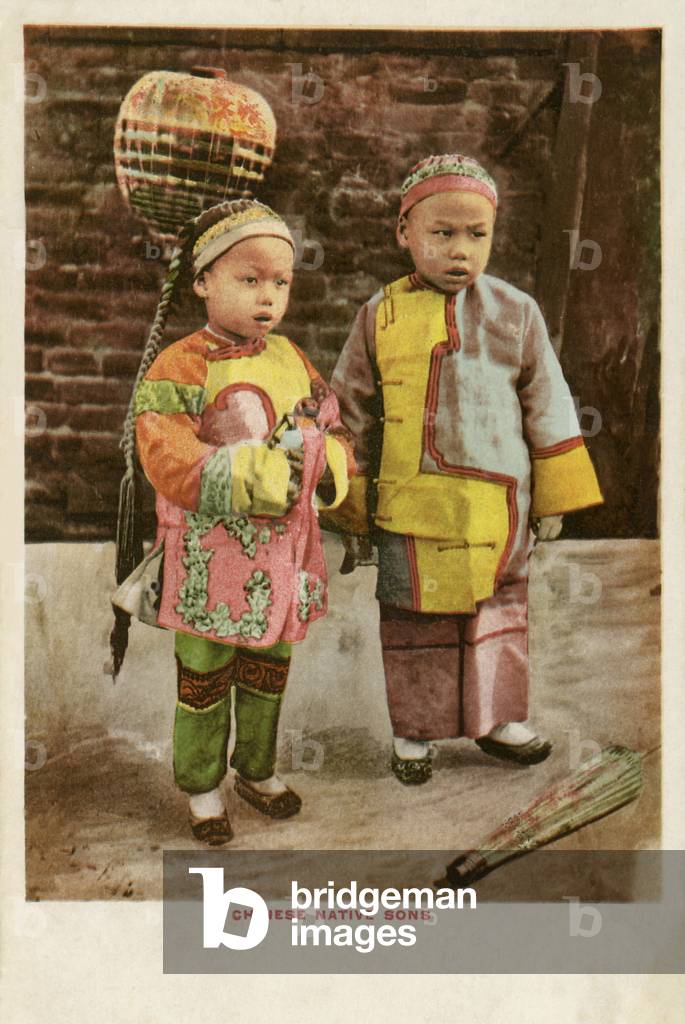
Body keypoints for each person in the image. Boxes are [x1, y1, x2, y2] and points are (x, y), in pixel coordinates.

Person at [326, 154, 603, 785]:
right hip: (410, 504)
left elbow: (548, 402)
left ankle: (498, 719)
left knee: (497, 608)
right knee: (414, 618)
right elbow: (348, 409)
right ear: (404, 232)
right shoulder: (379, 314)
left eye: (477, 235)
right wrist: (352, 505)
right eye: (442, 233)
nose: (460, 250)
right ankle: (415, 730)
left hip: (496, 506)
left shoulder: (517, 312)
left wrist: (553, 498)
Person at [125, 199, 353, 842]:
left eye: (280, 282)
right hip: (209, 556)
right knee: (204, 673)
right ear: (203, 281)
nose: (267, 297)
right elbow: (165, 452)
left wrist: (322, 456)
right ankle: (202, 786)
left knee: (268, 665)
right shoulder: (180, 364)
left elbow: (333, 427)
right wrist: (251, 474)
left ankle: (257, 769)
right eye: (249, 279)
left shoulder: (292, 359)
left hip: (280, 557)